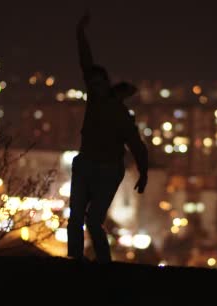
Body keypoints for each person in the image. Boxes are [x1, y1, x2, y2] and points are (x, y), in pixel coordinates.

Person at [67, 12, 148, 263]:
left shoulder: (121, 115)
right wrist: (80, 33)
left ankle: (103, 263)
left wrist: (144, 173)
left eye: (100, 83)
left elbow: (136, 144)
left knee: (92, 220)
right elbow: (86, 61)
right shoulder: (95, 99)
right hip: (88, 164)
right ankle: (77, 260)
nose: (96, 87)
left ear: (108, 86)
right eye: (94, 83)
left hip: (107, 170)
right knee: (77, 217)